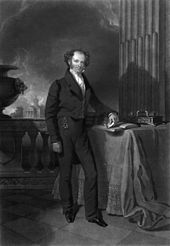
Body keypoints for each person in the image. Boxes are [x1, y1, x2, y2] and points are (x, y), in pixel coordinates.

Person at [45, 49, 118, 227]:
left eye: (83, 62)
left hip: (81, 133)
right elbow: (49, 114)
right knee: (66, 174)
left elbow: (96, 103)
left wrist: (111, 112)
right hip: (64, 131)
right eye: (76, 61)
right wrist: (55, 139)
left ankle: (92, 214)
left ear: (86, 65)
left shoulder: (84, 82)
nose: (80, 65)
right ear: (69, 61)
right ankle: (68, 209)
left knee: (92, 173)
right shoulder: (59, 84)